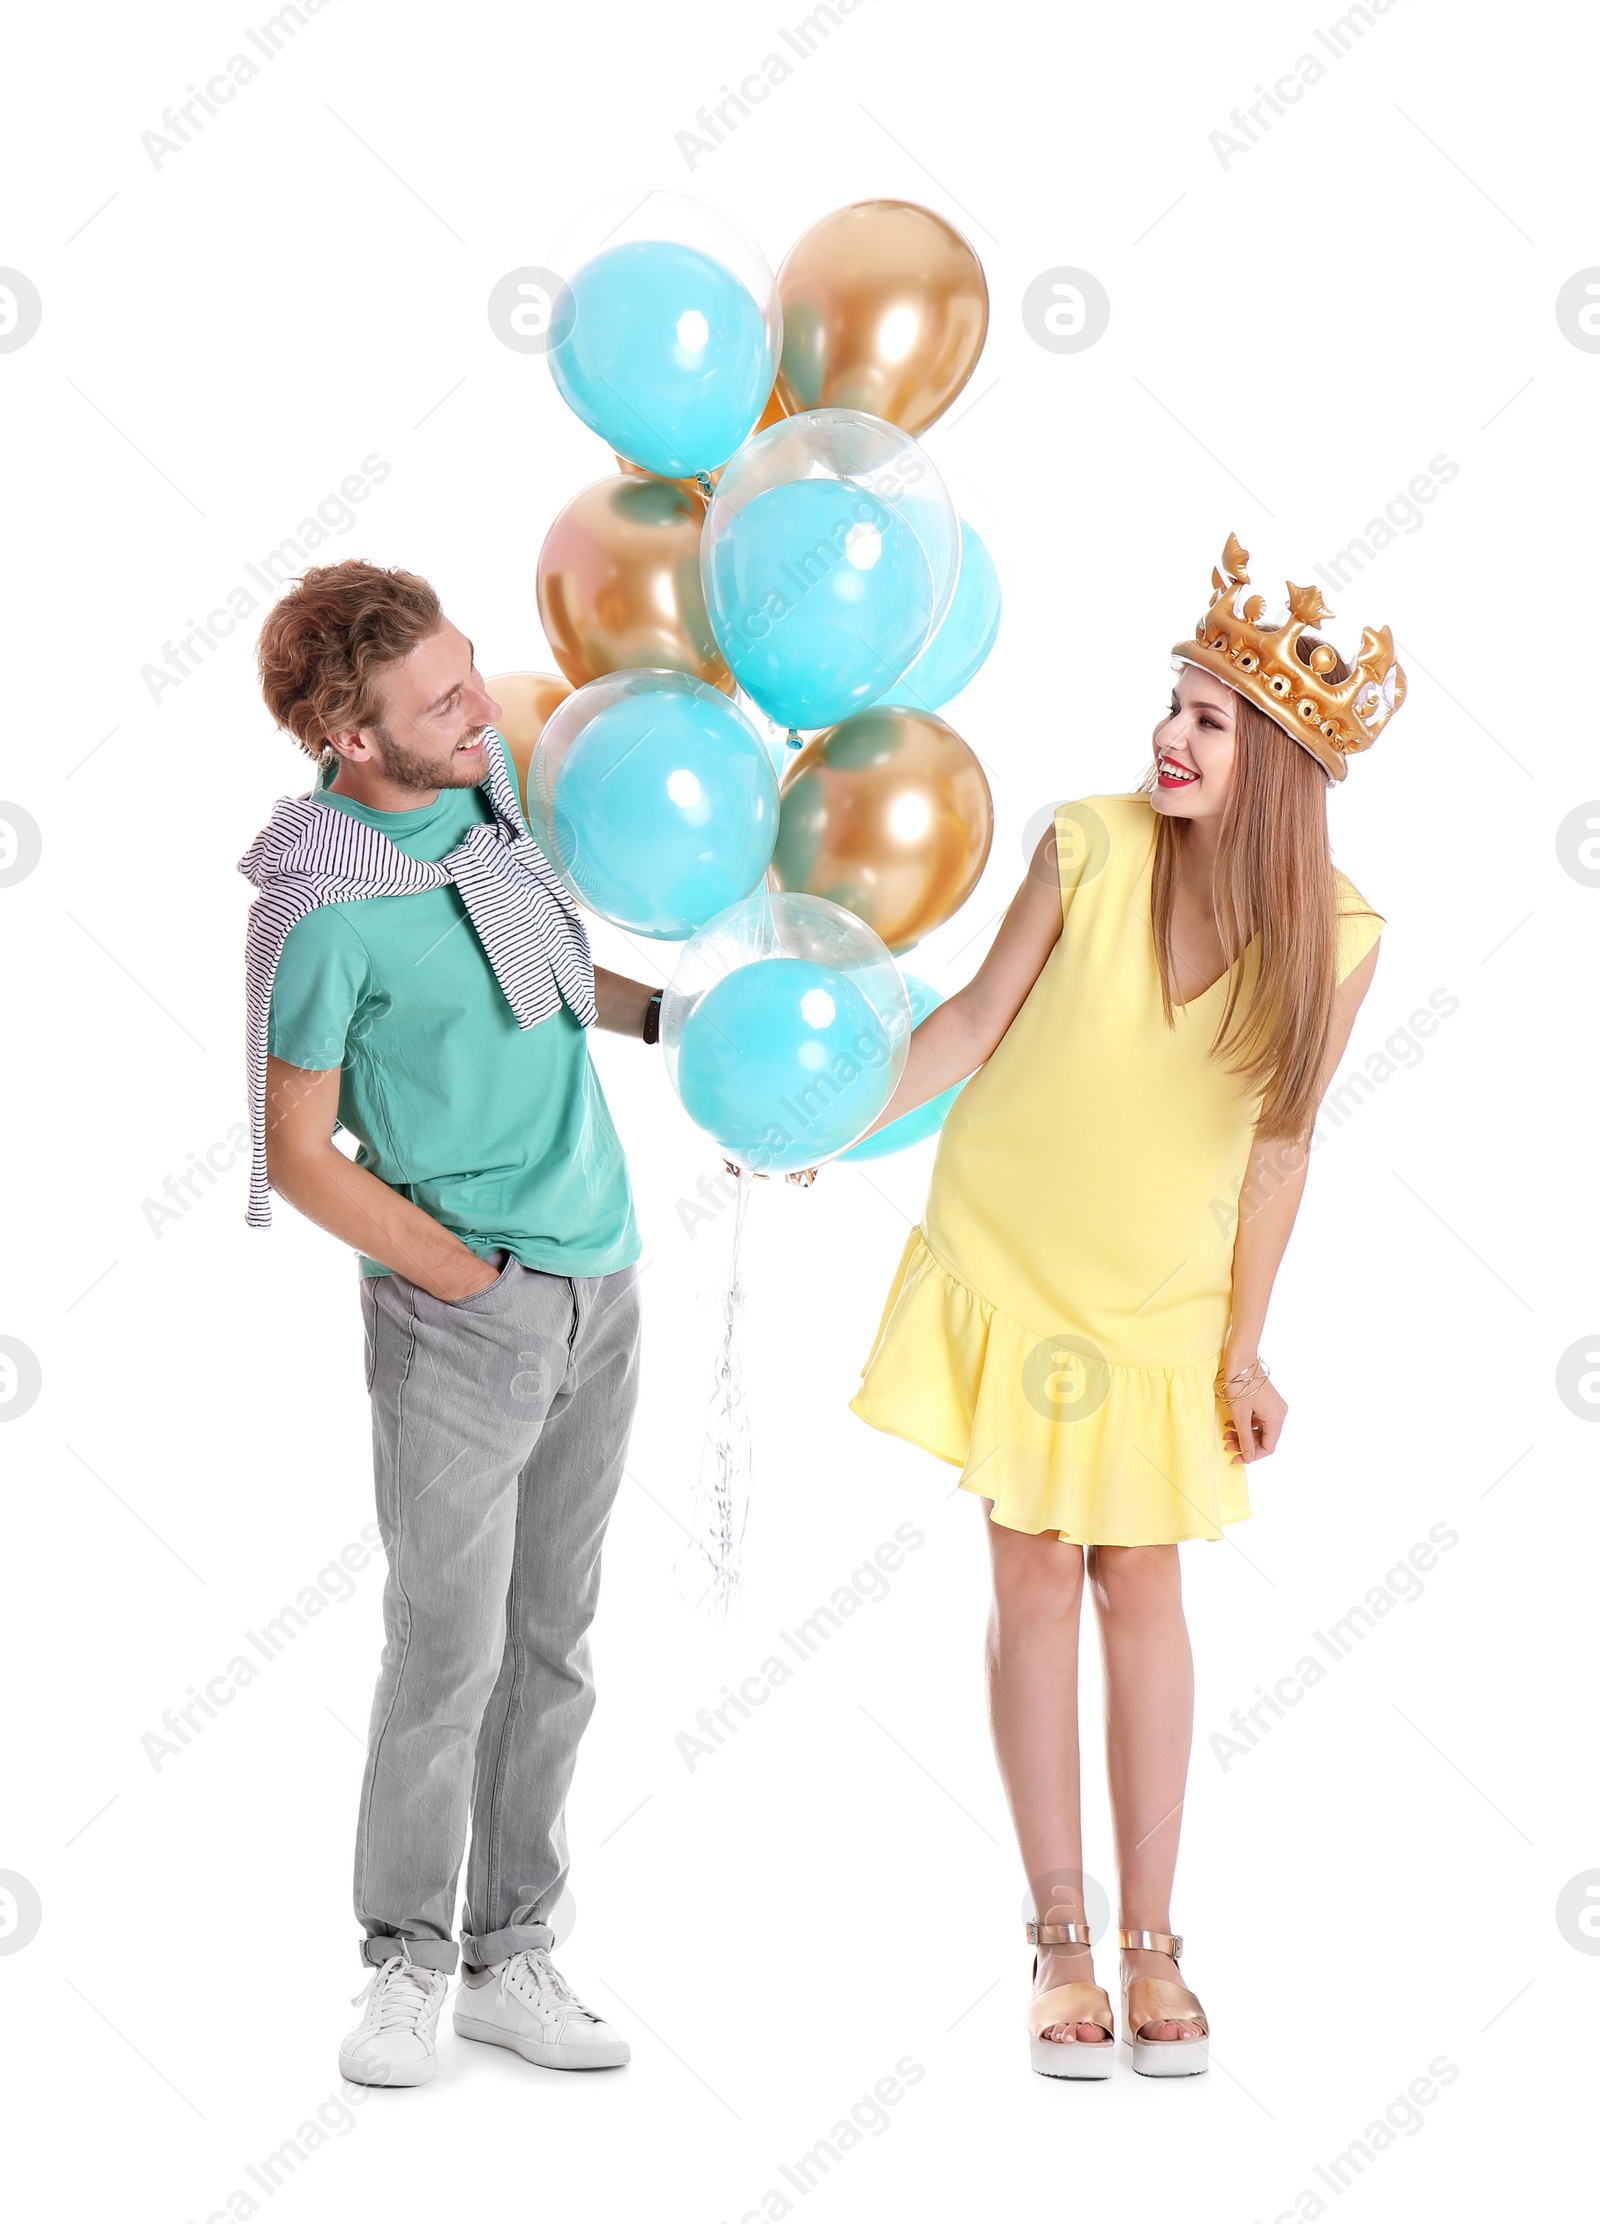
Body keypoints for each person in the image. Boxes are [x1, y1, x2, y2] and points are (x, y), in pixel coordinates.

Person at [846, 535, 1402, 2077]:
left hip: (1158, 1306)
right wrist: (831, 1115)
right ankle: (1058, 1939)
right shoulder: (1085, 848)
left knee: (1141, 1589)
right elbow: (962, 1022)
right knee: (1032, 1582)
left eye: (1210, 718)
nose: (1169, 732)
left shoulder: (1337, 940)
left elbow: (1279, 1146)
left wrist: (1242, 1344)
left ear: (1281, 762)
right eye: (1172, 701)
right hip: (1012, 1262)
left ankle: (1155, 1941)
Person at [240, 559, 666, 2087]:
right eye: (443, 699)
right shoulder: (320, 907)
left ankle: (513, 1954)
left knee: (555, 1643)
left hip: (602, 1282)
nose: (486, 708)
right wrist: (460, 1280)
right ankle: (406, 1962)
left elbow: (545, 976)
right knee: (445, 1651)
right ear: (354, 739)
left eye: (470, 670)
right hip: (463, 1314)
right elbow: (295, 1153)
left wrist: (678, 1027)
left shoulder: (486, 806)